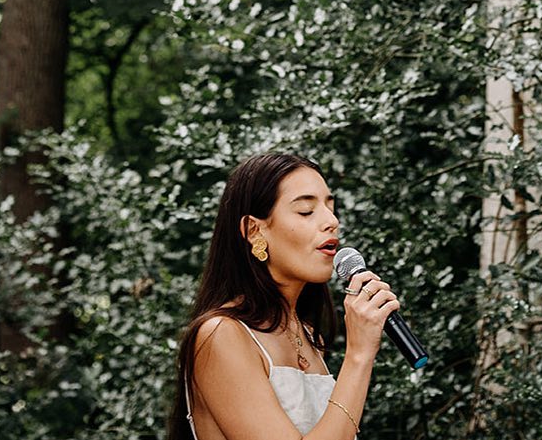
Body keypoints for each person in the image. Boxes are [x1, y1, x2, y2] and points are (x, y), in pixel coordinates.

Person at [168, 152, 400, 440]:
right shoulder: (221, 335)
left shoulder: (307, 335)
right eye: (306, 211)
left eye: (331, 207)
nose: (331, 221)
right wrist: (359, 354)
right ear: (254, 231)